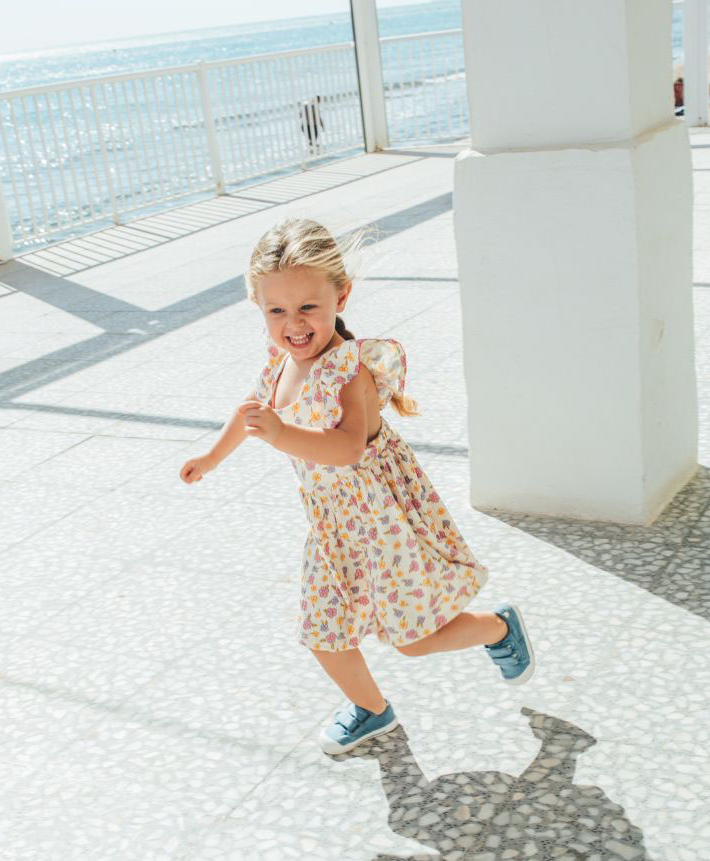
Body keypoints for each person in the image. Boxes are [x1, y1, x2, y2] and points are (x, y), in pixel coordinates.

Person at [179, 217, 536, 756]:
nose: (294, 324)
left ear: (340, 296)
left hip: (380, 525)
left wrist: (281, 434)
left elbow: (347, 448)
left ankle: (497, 629)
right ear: (258, 305)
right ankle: (372, 709)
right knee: (323, 634)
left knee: (413, 640)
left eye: (308, 307)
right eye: (277, 311)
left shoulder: (349, 372)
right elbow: (249, 411)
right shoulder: (280, 363)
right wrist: (211, 458)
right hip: (331, 529)